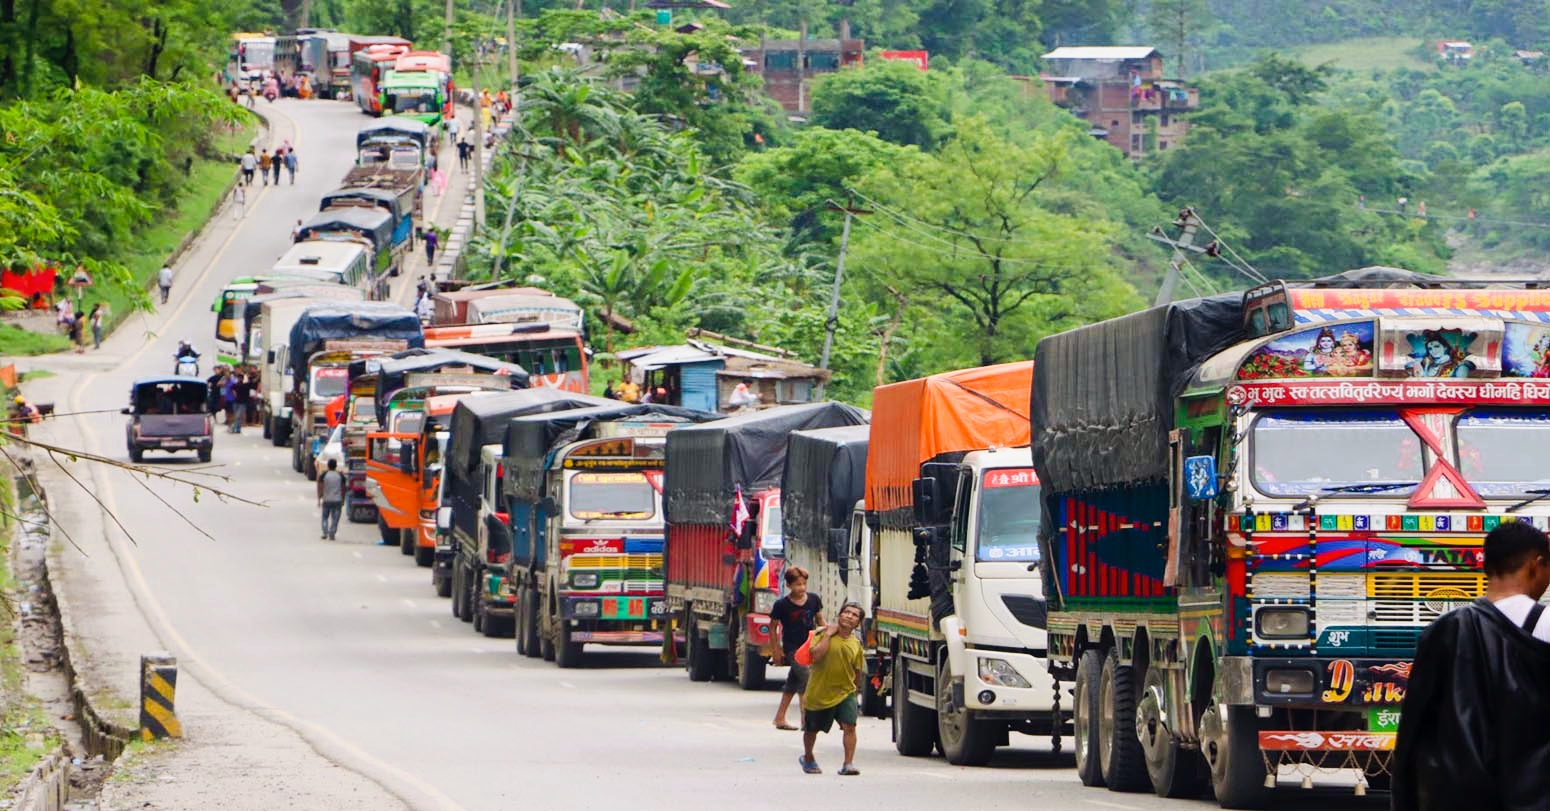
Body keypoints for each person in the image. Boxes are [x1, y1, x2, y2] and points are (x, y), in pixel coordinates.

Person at [1392, 520, 1550, 810]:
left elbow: (1412, 733)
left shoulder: (1441, 631)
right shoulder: (1546, 625)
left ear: (1486, 566)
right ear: (1536, 565)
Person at [800, 602, 866, 776]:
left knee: (850, 726)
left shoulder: (856, 644)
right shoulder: (822, 634)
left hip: (845, 692)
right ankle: (808, 757)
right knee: (811, 729)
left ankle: (848, 763)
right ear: (840, 615)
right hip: (819, 693)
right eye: (847, 612)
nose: (849, 616)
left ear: (858, 623)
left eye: (854, 615)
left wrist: (855, 692)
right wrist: (828, 635)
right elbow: (816, 656)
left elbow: (857, 670)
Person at [770, 566, 824, 731]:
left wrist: (827, 639)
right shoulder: (781, 605)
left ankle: (780, 718)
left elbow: (821, 621)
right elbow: (772, 627)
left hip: (809, 646)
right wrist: (776, 650)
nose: (801, 588)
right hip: (792, 648)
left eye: (803, 584)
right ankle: (805, 720)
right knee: (807, 680)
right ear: (788, 585)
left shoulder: (814, 600)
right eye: (797, 585)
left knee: (793, 682)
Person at [317, 459, 346, 540]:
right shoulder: (340, 476)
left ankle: (325, 532)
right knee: (335, 518)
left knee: (325, 517)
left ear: (328, 466)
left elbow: (320, 487)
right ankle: (332, 533)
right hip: (337, 500)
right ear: (336, 466)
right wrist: (343, 499)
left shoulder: (324, 475)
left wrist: (319, 498)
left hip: (327, 500)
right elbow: (343, 489)